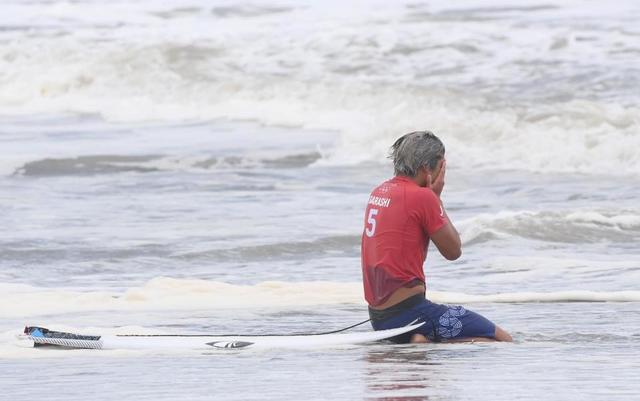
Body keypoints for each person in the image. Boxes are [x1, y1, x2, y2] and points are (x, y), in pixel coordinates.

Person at [361, 131, 512, 343]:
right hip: (410, 312)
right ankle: (418, 338)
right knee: (502, 339)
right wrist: (436, 198)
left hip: (379, 318)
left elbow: (408, 253)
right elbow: (453, 251)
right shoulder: (422, 197)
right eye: (442, 168)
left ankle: (418, 341)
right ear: (426, 169)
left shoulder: (379, 192)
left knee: (423, 338)